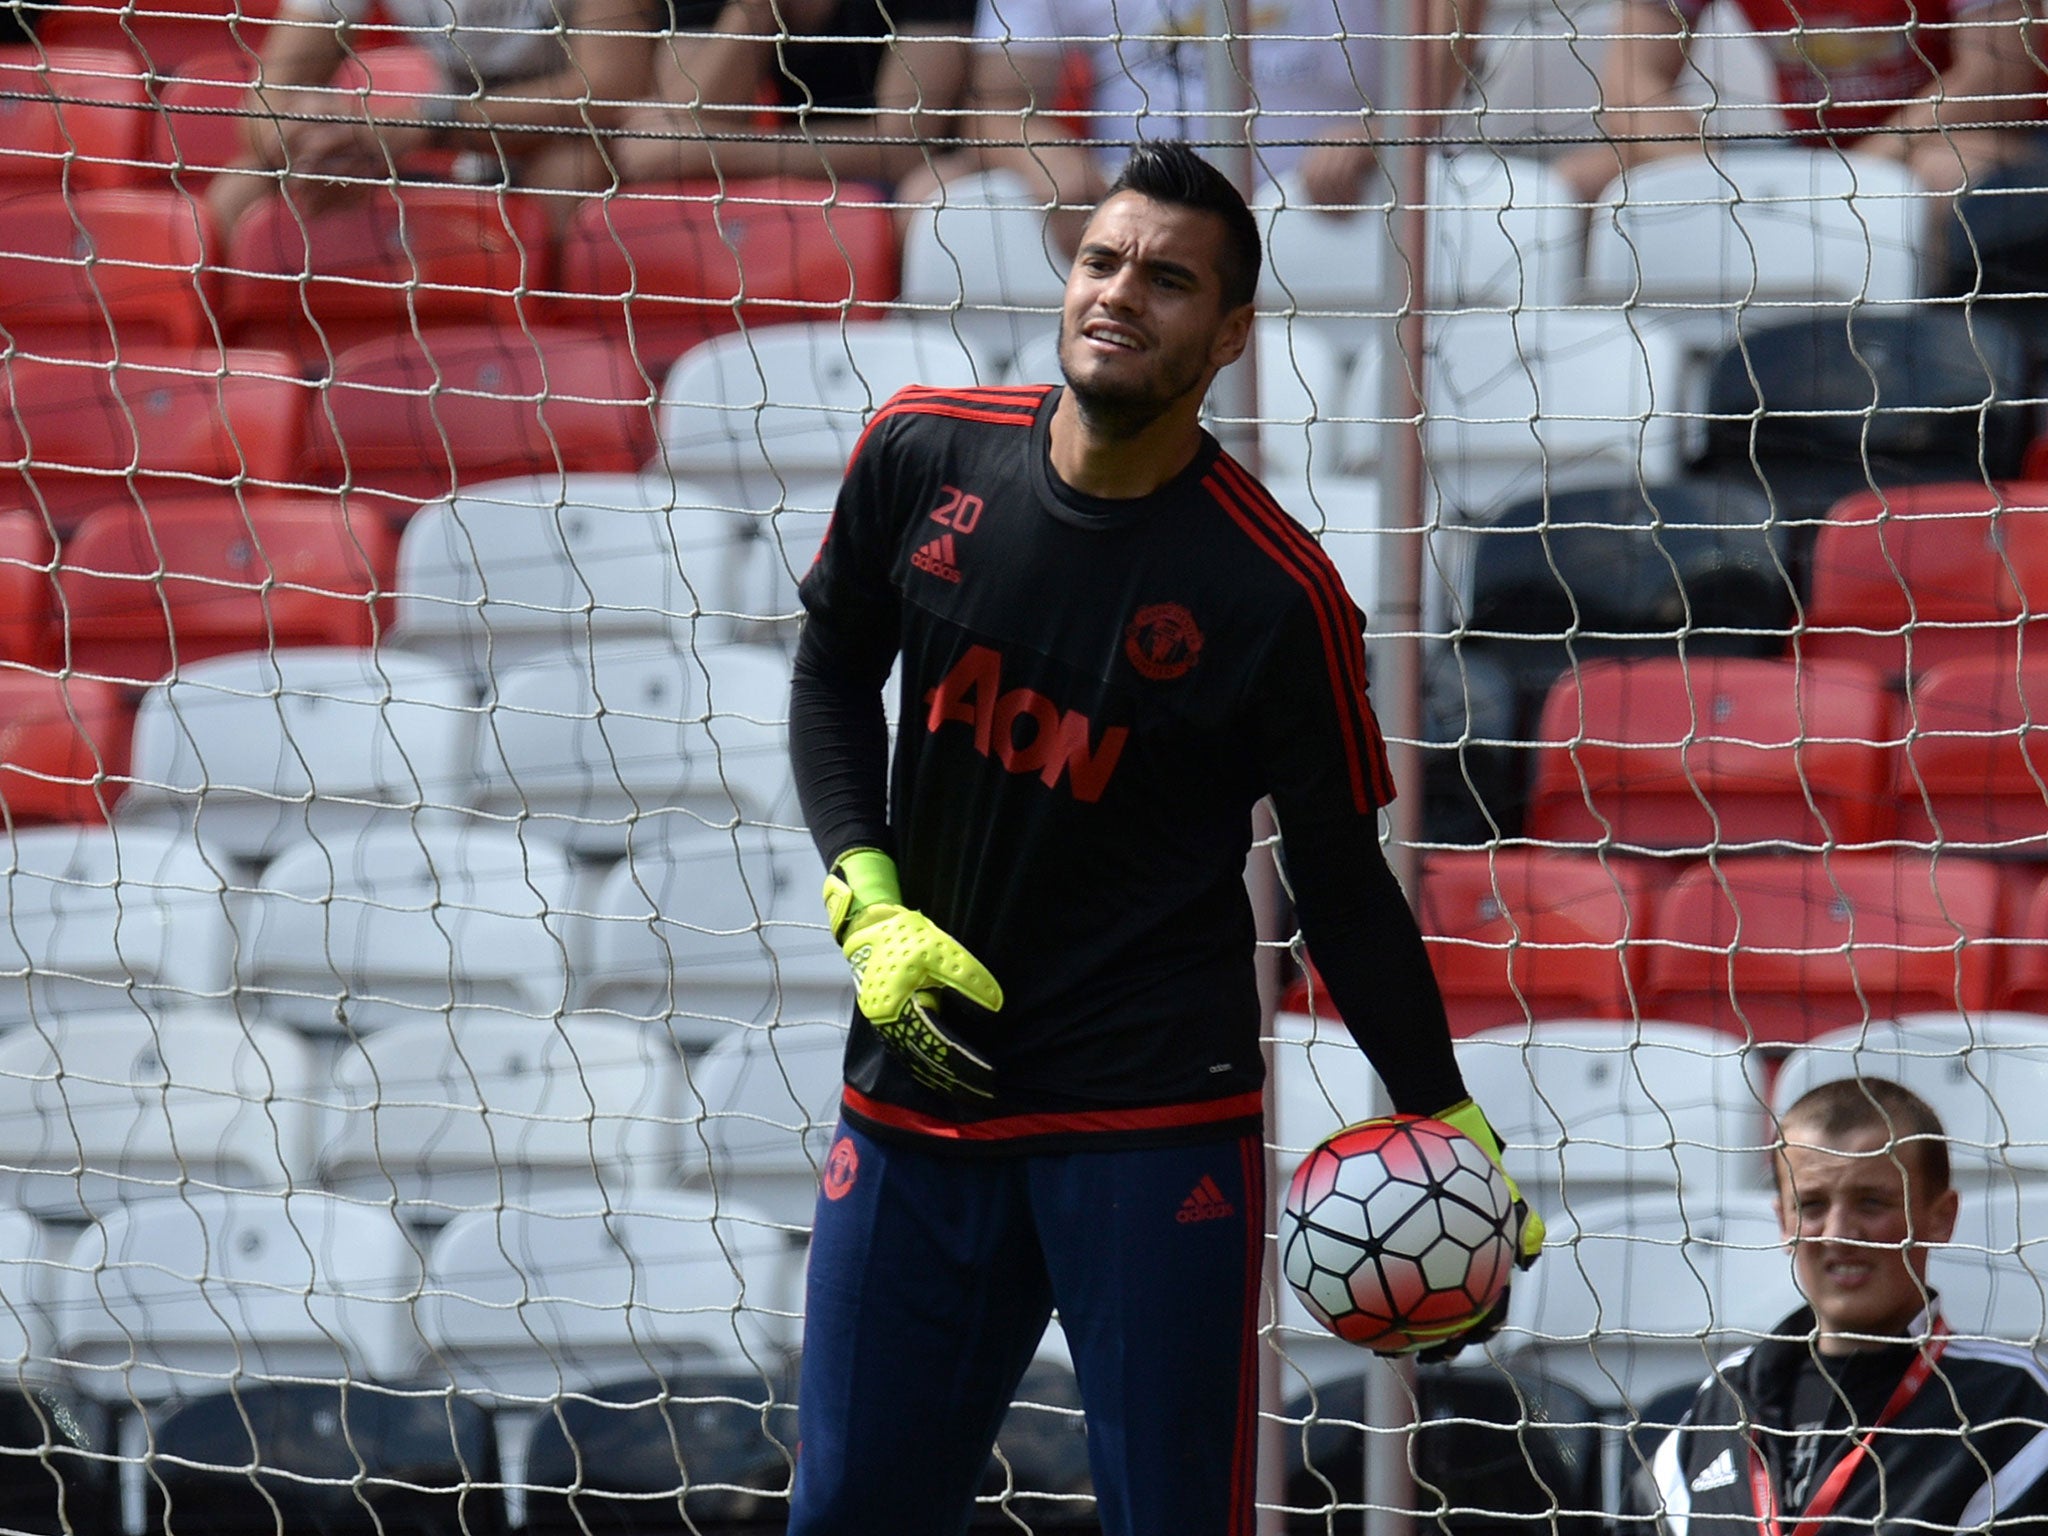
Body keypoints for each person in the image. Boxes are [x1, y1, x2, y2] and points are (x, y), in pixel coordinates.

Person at [786, 138, 1541, 1536]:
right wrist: (865, 893)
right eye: (1104, 260)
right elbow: (832, 670)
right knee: (845, 1512)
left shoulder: (1276, 593)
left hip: (1149, 1117)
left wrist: (1444, 1107)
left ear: (1229, 334)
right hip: (917, 1089)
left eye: (1170, 280)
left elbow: (1341, 885)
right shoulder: (919, 449)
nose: (1123, 294)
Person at [1632, 1077, 2048, 1533]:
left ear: (1940, 1217)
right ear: (1783, 1222)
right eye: (1811, 1205)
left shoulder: (2014, 1406)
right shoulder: (1724, 1400)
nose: (1838, 1232)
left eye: (1871, 1202)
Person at [903, 0, 1474, 251]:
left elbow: (1451, 46)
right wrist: (1049, 160)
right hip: (1136, 225)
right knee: (931, 200)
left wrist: (1380, 131)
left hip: (1337, 213)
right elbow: (995, 106)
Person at [203, 0, 664, 238]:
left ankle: (537, 373)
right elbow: (263, 103)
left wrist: (419, 125)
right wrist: (312, 138)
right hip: (446, 138)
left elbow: (611, 88)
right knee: (240, 186)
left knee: (570, 173)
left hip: (561, 134)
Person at [1556, 0, 2047, 202]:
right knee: (1585, 180)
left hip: (1967, 139)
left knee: (1945, 175)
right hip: (1811, 149)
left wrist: (1865, 166)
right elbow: (1629, 82)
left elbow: (1997, 79)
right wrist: (1708, 180)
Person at [610, 0, 976, 185]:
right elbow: (678, 123)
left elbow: (903, 150)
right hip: (784, 181)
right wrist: (758, 6)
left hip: (910, 186)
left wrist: (713, 152)